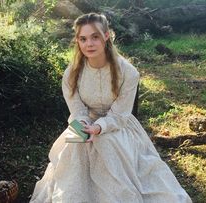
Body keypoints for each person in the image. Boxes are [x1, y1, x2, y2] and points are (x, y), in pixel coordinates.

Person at [30, 13, 192, 203]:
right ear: (77, 40)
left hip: (118, 125)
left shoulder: (128, 72)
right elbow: (77, 110)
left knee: (107, 145)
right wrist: (83, 126)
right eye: (83, 38)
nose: (89, 44)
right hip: (84, 121)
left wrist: (99, 128)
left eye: (95, 37)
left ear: (106, 36)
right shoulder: (71, 74)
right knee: (74, 148)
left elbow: (120, 114)